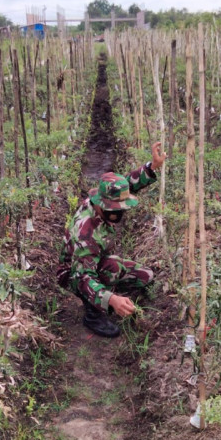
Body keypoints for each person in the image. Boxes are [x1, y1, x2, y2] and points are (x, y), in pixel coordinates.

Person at [57, 142, 166, 338]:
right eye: (114, 208)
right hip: (74, 273)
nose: (119, 211)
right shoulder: (86, 234)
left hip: (95, 260)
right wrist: (112, 300)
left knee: (145, 276)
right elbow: (83, 278)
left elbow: (126, 185)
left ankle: (107, 291)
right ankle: (93, 314)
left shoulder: (103, 197)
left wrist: (151, 167)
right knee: (112, 268)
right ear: (102, 204)